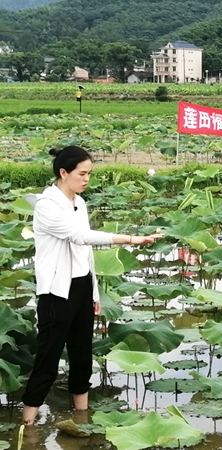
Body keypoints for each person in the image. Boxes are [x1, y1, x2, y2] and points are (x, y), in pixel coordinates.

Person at [21, 146, 163, 425]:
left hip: (82, 286)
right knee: (48, 360)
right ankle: (27, 424)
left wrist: (94, 292)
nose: (86, 179)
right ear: (64, 173)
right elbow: (79, 236)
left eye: (89, 174)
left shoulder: (80, 202)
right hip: (56, 291)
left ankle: (82, 416)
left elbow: (85, 256)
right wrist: (131, 239)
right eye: (81, 173)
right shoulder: (47, 205)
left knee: (82, 354)